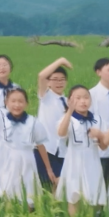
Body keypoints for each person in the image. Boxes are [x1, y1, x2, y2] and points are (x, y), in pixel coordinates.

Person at [0, 67, 50, 209]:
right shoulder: (1, 119)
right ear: (6, 103)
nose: (17, 105)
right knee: (8, 197)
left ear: (27, 104)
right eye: (13, 101)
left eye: (20, 101)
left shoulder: (33, 122)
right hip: (7, 163)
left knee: (28, 197)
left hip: (27, 164)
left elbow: (40, 145)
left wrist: (48, 169)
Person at [55, 85, 108, 217]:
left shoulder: (97, 119)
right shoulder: (68, 119)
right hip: (74, 161)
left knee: (93, 194)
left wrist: (100, 135)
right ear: (70, 101)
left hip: (92, 161)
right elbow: (61, 133)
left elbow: (104, 146)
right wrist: (69, 112)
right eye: (77, 98)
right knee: (73, 194)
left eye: (86, 97)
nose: (83, 101)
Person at [35, 57, 71, 187]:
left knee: (59, 186)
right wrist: (61, 61)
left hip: (61, 150)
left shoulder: (68, 102)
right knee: (45, 185)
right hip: (45, 149)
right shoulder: (46, 96)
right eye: (55, 79)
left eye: (62, 79)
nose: (59, 83)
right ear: (48, 82)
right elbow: (41, 76)